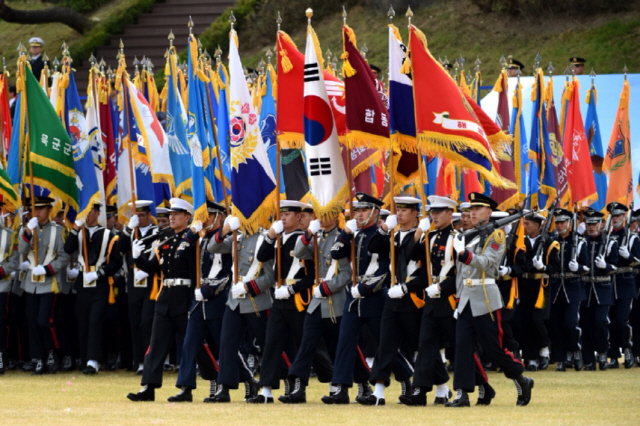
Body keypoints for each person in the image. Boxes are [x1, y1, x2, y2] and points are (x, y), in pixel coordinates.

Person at [321, 193, 411, 404]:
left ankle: (405, 376)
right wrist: (345, 232)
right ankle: (341, 388)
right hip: (354, 296)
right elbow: (335, 254)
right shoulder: (355, 233)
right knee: (345, 341)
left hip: (375, 296)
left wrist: (366, 288)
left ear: (374, 211)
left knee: (384, 343)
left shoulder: (383, 235)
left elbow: (384, 270)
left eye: (363, 210)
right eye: (357, 210)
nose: (358, 215)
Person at [448, 192, 533, 407]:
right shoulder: (468, 234)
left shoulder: (495, 236)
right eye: (471, 209)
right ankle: (462, 393)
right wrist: (459, 299)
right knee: (462, 348)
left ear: (489, 212)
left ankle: (521, 379)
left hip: (485, 300)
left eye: (477, 209)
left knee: (494, 350)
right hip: (466, 300)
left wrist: (464, 255)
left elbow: (488, 263)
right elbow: (460, 273)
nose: (472, 212)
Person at [127, 198, 196, 401]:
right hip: (165, 297)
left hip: (185, 298)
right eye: (170, 214)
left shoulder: (192, 241)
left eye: (176, 214)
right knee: (156, 345)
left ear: (187, 217)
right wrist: (137, 257)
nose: (171, 217)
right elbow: (153, 268)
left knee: (194, 346)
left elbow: (194, 272)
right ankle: (148, 387)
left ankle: (190, 387)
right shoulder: (165, 241)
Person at [205, 210, 274, 403]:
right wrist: (226, 228)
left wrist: (247, 286)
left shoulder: (264, 239)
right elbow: (212, 247)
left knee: (268, 344)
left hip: (256, 301)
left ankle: (285, 381)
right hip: (235, 301)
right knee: (226, 343)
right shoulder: (237, 236)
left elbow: (269, 277)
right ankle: (224, 388)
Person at [247, 201, 313, 403]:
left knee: (307, 346)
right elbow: (261, 256)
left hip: (298, 299)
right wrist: (270, 236)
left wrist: (293, 289)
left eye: (287, 215)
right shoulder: (278, 238)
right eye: (280, 215)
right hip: (279, 299)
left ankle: (305, 387)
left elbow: (313, 275)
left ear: (299, 217)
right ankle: (266, 391)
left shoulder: (305, 239)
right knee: (272, 343)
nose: (282, 218)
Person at [363, 196, 424, 405]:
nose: (399, 214)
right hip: (392, 297)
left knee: (421, 344)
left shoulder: (422, 236)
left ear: (415, 213)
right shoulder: (394, 234)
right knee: (386, 342)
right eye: (398, 210)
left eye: (404, 210)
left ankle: (442, 388)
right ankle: (378, 393)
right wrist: (383, 230)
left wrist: (418, 235)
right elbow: (372, 247)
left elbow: (412, 259)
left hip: (414, 298)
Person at [169, 201, 230, 403]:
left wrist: (210, 290)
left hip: (218, 298)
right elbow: (179, 255)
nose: (203, 220)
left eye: (207, 215)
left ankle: (238, 383)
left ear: (218, 217)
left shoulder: (227, 238)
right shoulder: (200, 238)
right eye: (201, 216)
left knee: (224, 345)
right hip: (198, 301)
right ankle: (185, 387)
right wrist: (191, 234)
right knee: (189, 343)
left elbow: (228, 274)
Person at [64, 202, 121, 374]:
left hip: (100, 282)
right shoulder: (78, 232)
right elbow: (68, 248)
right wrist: (75, 228)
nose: (87, 215)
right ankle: (84, 358)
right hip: (83, 282)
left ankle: (93, 360)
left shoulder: (108, 235)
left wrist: (100, 273)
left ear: (97, 213)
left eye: (90, 212)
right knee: (82, 320)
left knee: (95, 320)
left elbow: (117, 262)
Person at [20, 196, 70, 375]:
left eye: (41, 209)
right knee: (32, 323)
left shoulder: (57, 231)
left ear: (49, 210)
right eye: (34, 209)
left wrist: (48, 269)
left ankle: (50, 352)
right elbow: (20, 251)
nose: (37, 212)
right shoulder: (27, 229)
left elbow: (64, 257)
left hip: (49, 283)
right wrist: (27, 232)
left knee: (44, 321)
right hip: (30, 283)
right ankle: (38, 359)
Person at [121, 200, 159, 375]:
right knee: (135, 322)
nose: (140, 219)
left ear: (149, 215)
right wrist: (129, 228)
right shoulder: (131, 231)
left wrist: (147, 270)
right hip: (134, 282)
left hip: (150, 282)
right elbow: (119, 248)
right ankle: (139, 361)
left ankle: (149, 358)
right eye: (137, 216)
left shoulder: (156, 232)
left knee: (146, 322)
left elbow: (160, 254)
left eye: (143, 215)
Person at [548, 208, 589, 371]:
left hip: (573, 287)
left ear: (570, 223)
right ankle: (561, 358)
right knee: (556, 325)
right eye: (557, 222)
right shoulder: (552, 240)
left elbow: (586, 267)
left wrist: (578, 267)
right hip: (557, 287)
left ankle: (576, 351)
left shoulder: (580, 241)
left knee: (571, 324)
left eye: (562, 222)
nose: (559, 226)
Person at [518, 211, 560, 371]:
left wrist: (543, 267)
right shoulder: (520, 242)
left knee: (538, 320)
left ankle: (544, 350)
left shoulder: (549, 243)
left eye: (528, 224)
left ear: (537, 225)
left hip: (541, 286)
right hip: (525, 285)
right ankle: (530, 357)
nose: (524, 226)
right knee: (526, 322)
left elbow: (555, 268)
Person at [580, 208, 618, 370]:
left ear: (601, 224)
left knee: (600, 322)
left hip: (602, 288)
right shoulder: (582, 242)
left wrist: (606, 265)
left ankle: (602, 352)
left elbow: (615, 266)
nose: (591, 227)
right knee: (586, 324)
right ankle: (589, 359)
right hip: (586, 287)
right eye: (588, 224)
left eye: (594, 223)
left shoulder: (610, 242)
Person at [605, 202, 638, 368]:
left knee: (622, 320)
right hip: (610, 285)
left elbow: (638, 262)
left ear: (624, 217)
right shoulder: (607, 237)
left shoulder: (632, 237)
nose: (615, 218)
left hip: (626, 283)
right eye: (613, 215)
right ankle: (613, 355)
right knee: (610, 320)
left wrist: (630, 257)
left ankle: (628, 350)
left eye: (618, 215)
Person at [0, 203, 19, 374]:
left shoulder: (10, 235)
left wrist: (2, 270)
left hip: (2, 284)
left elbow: (15, 261)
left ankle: (0, 355)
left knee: (0, 321)